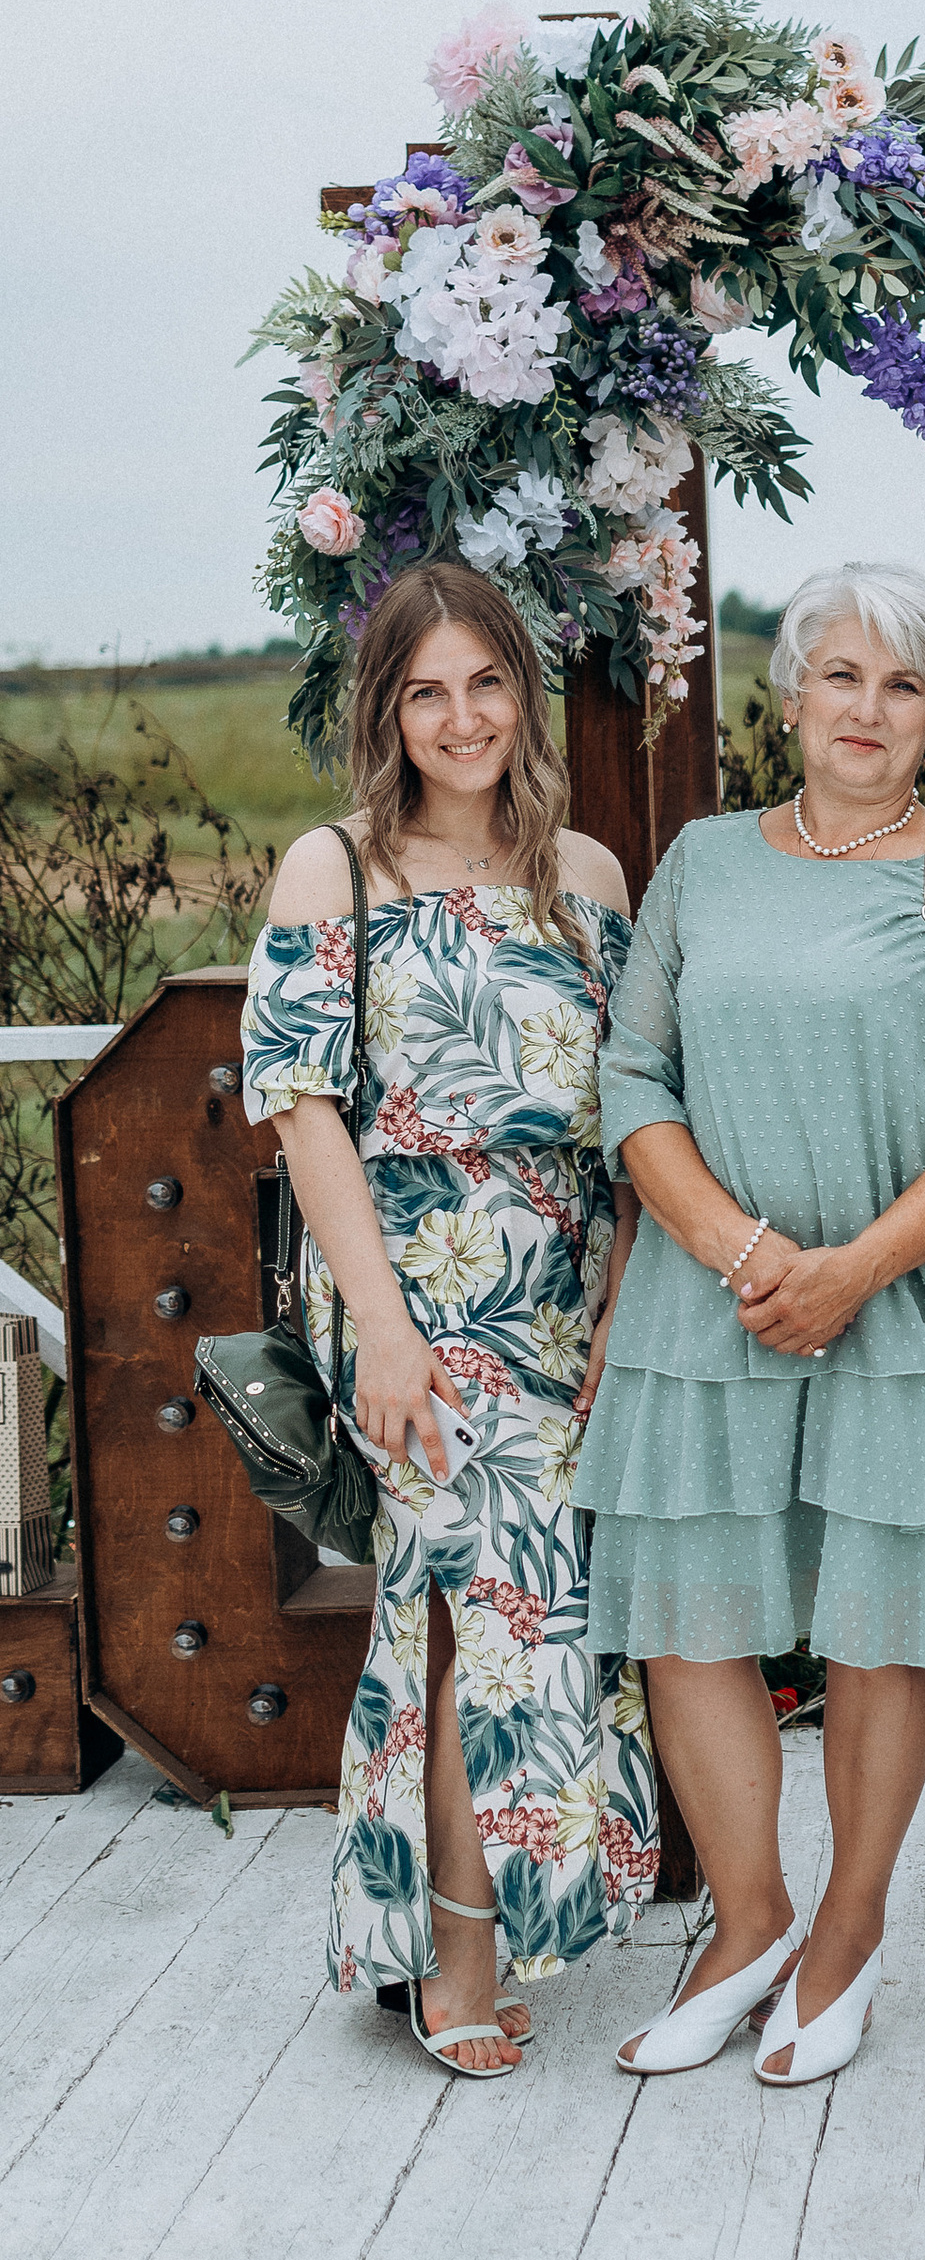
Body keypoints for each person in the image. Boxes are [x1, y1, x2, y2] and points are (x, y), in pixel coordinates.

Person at [577, 561, 925, 2091]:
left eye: (903, 683)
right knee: (691, 1617)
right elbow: (631, 1080)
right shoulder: (704, 863)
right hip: (702, 1304)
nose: (868, 709)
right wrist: (743, 1254)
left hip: (898, 1306)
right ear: (786, 697)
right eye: (839, 676)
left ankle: (847, 1935)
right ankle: (749, 1926)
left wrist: (848, 1269)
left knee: (878, 1633)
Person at [241, 560, 656, 2078]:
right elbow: (303, 1115)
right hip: (405, 1284)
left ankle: (412, 1931)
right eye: (429, 691)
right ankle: (461, 1957)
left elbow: (628, 1121)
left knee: (463, 1606)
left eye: (486, 684)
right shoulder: (332, 871)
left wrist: (616, 1302)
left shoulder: (591, 879)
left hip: (560, 1285)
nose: (461, 717)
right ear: (388, 711)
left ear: (522, 700)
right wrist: (390, 1327)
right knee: (511, 1586)